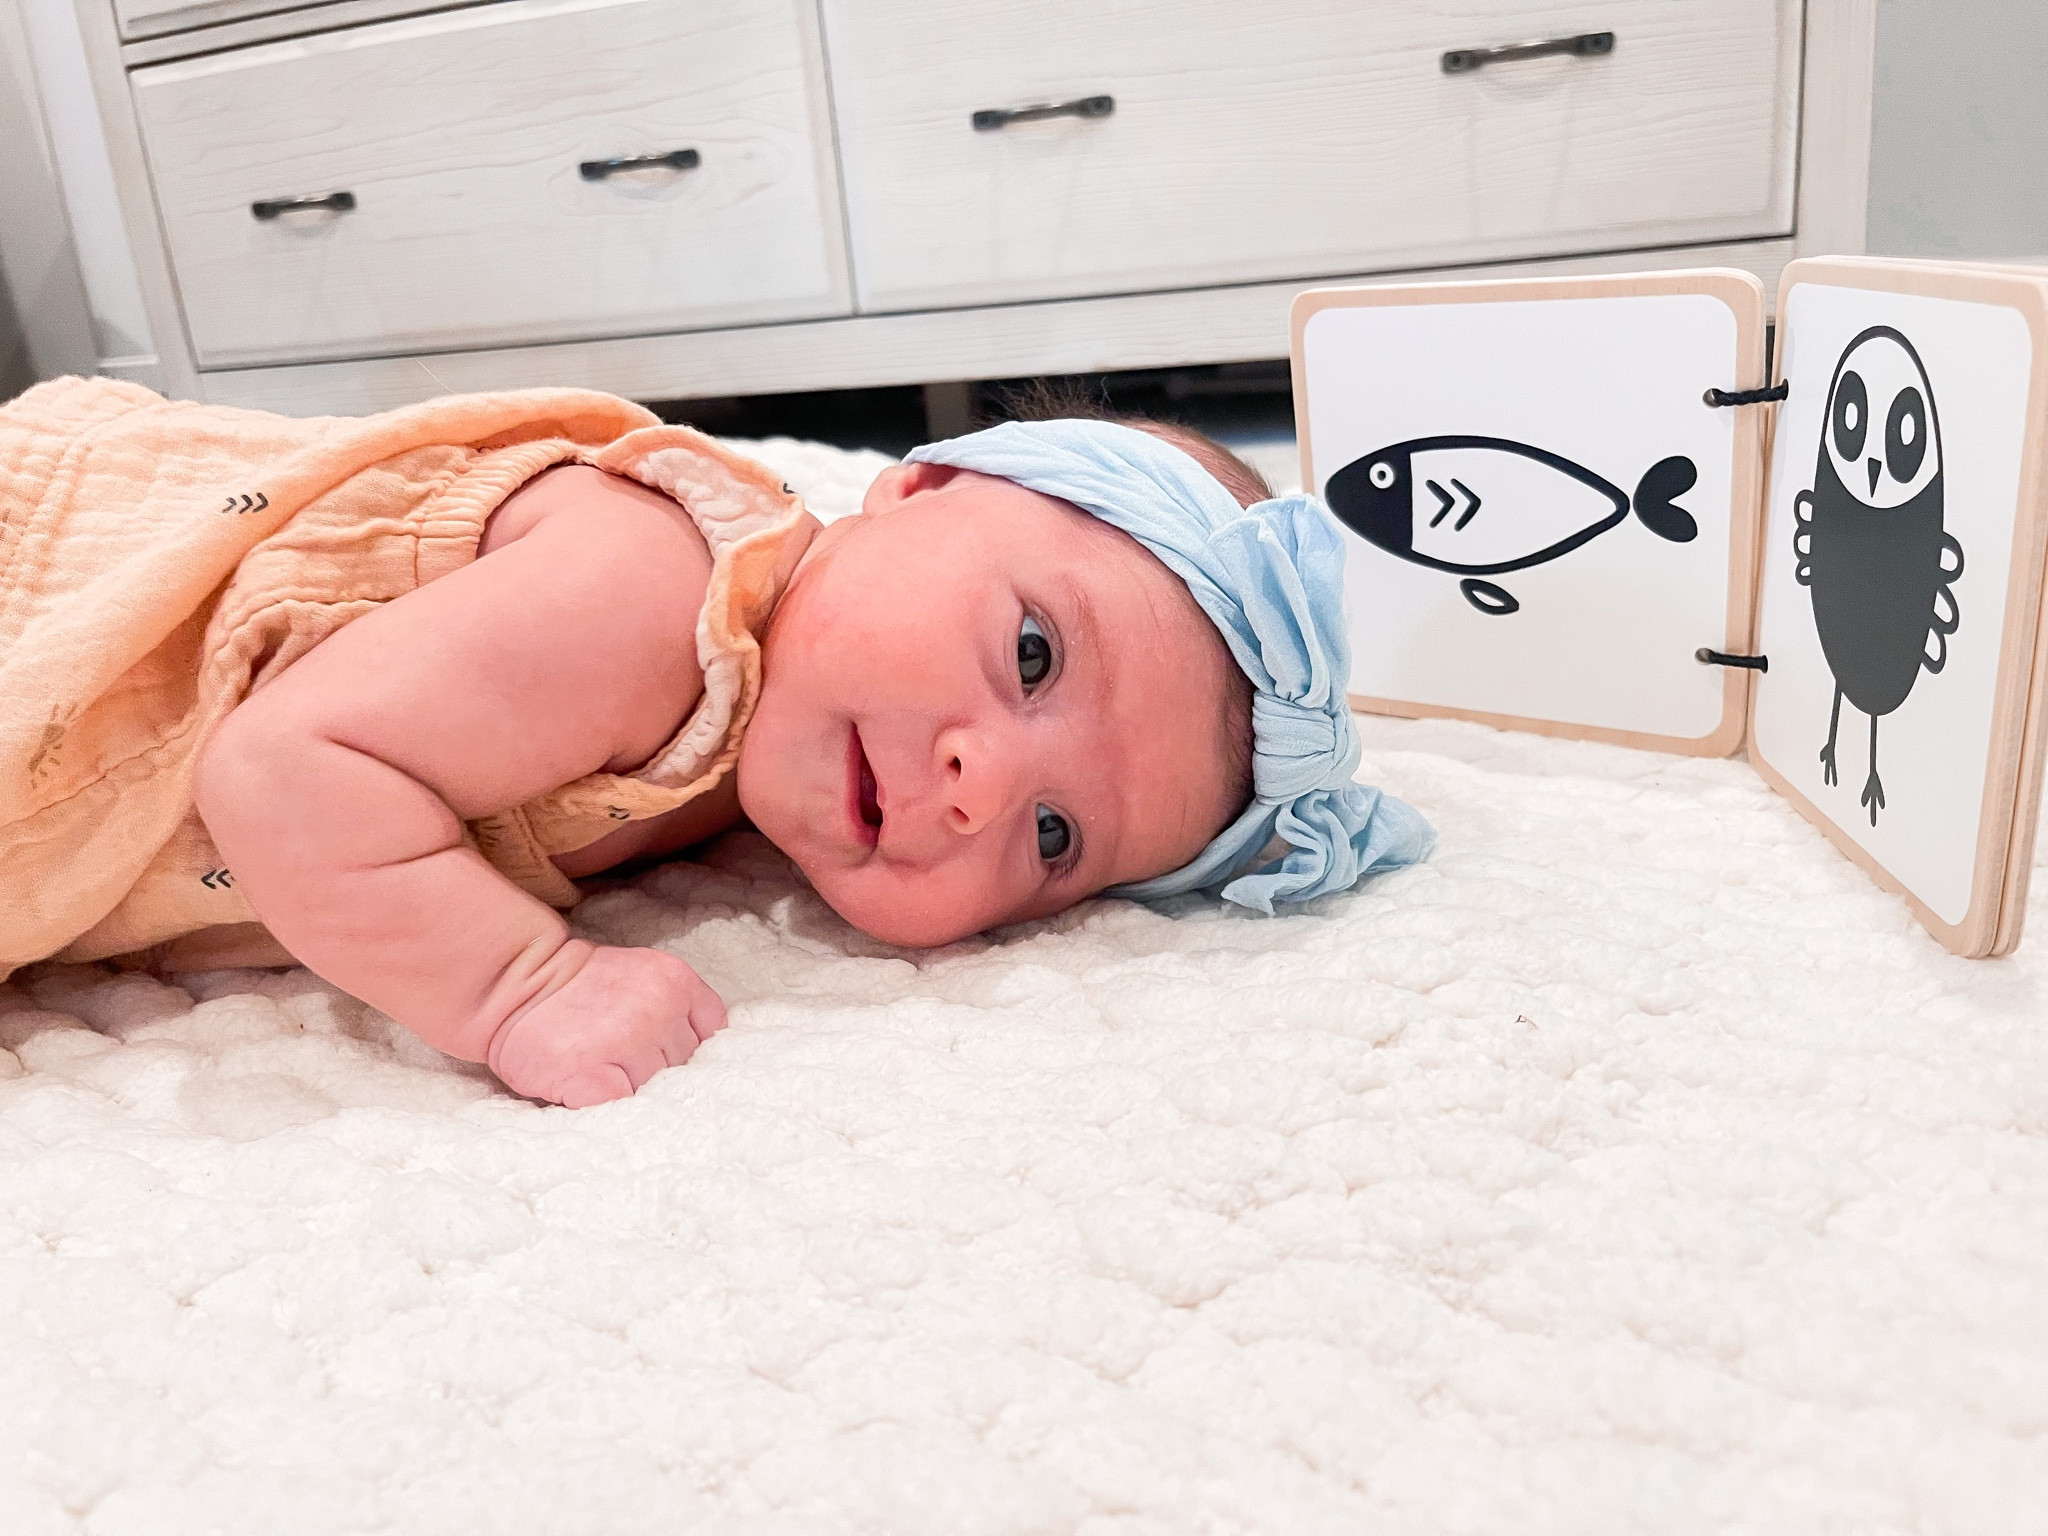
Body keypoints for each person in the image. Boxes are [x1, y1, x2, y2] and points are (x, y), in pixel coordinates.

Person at [0, 377, 1429, 1106]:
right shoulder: (652, 589)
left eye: (1057, 838)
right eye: (1033, 656)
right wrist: (517, 987)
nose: (983, 784)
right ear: (917, 490)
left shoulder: (761, 747)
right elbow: (286, 773)